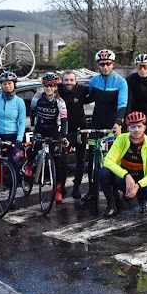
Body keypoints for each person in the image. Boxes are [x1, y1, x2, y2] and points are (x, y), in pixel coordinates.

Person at [81, 49, 128, 203]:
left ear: (112, 64)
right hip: (96, 123)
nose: (105, 67)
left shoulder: (121, 82)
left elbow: (122, 104)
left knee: (114, 160)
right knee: (92, 158)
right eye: (102, 64)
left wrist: (118, 122)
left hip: (112, 124)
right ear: (98, 65)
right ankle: (92, 191)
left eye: (108, 64)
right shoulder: (94, 81)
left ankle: (116, 190)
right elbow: (87, 98)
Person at [98, 111, 147, 217]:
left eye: (139, 126)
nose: (136, 130)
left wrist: (138, 185)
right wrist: (126, 175)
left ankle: (141, 198)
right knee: (103, 172)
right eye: (133, 127)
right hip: (124, 179)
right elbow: (108, 161)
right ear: (128, 128)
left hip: (142, 180)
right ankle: (111, 204)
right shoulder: (121, 139)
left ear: (144, 128)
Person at [24, 73, 69, 203]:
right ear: (43, 86)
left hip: (53, 130)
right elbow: (32, 111)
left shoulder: (60, 101)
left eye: (52, 86)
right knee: (33, 148)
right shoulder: (37, 97)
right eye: (46, 86)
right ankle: (29, 165)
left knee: (59, 161)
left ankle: (58, 190)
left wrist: (64, 136)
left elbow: (64, 120)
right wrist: (33, 127)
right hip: (40, 128)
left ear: (55, 87)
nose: (49, 88)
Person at [0, 71, 26, 168]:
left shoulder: (19, 101)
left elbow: (22, 122)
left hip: (13, 135)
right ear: (1, 85)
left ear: (14, 85)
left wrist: (19, 139)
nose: (7, 86)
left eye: (10, 83)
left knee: (16, 159)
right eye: (4, 84)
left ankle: (17, 180)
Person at [58, 70, 88, 199]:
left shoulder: (82, 89)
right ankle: (62, 187)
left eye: (71, 80)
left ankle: (76, 188)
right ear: (62, 81)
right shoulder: (58, 89)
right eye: (66, 80)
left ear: (75, 81)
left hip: (80, 129)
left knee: (80, 160)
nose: (69, 82)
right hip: (64, 130)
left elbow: (96, 94)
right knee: (62, 160)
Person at [125, 53, 147, 121]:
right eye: (139, 67)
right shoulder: (130, 80)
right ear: (136, 67)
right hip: (133, 114)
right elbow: (128, 100)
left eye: (145, 66)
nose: (142, 69)